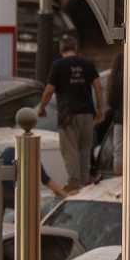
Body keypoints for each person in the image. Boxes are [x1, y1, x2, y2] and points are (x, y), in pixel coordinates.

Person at [36, 34, 103, 189]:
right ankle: (84, 182)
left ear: (61, 50)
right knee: (84, 149)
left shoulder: (58, 66)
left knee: (69, 149)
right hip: (87, 114)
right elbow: (98, 86)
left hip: (68, 115)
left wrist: (42, 107)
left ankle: (74, 183)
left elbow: (49, 90)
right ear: (76, 49)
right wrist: (100, 108)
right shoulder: (87, 65)